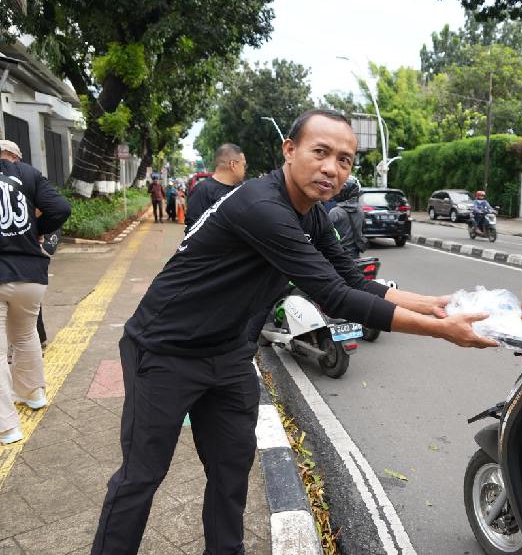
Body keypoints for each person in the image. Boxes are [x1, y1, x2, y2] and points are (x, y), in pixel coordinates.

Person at [90, 109, 495, 555]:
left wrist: (434, 306)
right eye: (320, 152)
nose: (332, 168)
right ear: (290, 150)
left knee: (231, 470)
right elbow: (334, 297)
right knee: (141, 477)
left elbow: (354, 281)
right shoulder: (262, 208)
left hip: (228, 354)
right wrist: (440, 332)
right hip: (165, 350)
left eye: (344, 159)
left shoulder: (314, 214)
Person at [0, 139, 71, 445]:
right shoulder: (29, 174)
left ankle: (6, 426)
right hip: (31, 273)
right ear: (16, 157)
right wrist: (35, 230)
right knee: (26, 334)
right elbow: (61, 208)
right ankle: (33, 394)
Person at [184, 143, 247, 232]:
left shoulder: (239, 190)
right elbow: (192, 230)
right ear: (233, 165)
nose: (245, 169)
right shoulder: (202, 190)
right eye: (244, 165)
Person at [327, 175, 367, 258]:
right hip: (355, 254)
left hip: (338, 256)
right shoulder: (360, 211)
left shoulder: (335, 212)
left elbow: (325, 234)